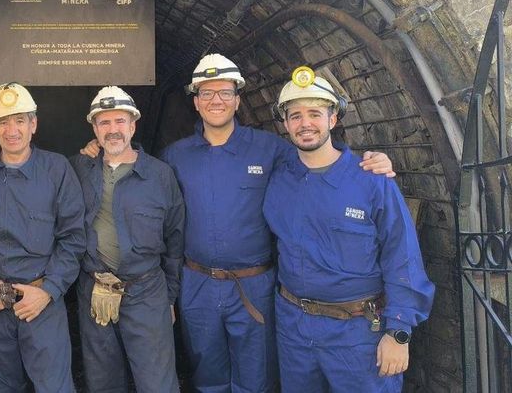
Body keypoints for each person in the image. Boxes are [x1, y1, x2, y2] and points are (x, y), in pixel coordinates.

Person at [77, 54, 394, 392]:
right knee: (206, 374)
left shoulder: (269, 149)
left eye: (225, 93)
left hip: (253, 284)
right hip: (197, 282)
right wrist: (101, 149)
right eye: (207, 93)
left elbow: (316, 156)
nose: (216, 101)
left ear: (238, 99)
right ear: (196, 102)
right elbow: (148, 187)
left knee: (255, 378)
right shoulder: (175, 156)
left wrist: (362, 161)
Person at [263, 67, 434, 392]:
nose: (305, 124)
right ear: (285, 124)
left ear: (333, 119)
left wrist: (399, 331)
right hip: (294, 326)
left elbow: (402, 255)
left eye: (315, 113)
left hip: (358, 332)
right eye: (295, 116)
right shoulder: (279, 178)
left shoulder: (371, 180)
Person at [0, 82, 86, 393]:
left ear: (34, 124)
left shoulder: (57, 170)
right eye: (3, 122)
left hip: (41, 303)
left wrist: (49, 290)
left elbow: (73, 239)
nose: (12, 130)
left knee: (55, 387)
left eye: (20, 120)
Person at [70, 86, 184, 392]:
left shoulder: (161, 175)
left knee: (157, 383)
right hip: (95, 291)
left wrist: (169, 299)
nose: (113, 130)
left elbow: (175, 241)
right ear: (94, 129)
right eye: (104, 123)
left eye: (120, 121)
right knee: (103, 381)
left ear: (133, 125)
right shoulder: (78, 168)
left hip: (146, 292)